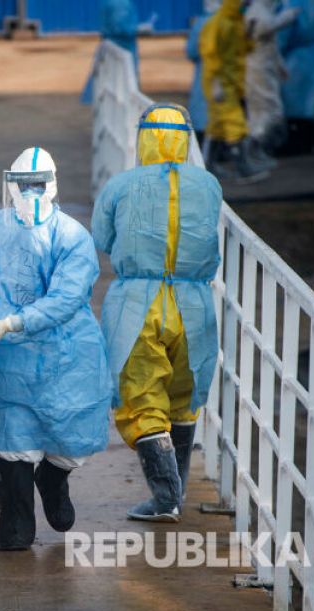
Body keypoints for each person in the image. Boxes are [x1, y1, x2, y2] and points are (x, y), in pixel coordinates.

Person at [0, 147, 112, 550]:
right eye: (23, 186)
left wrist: (10, 322)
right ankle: (18, 514)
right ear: (10, 186)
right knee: (11, 432)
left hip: (64, 352)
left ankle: (54, 481)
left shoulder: (73, 237)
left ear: (53, 184)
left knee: (66, 432)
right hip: (9, 353)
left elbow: (66, 297)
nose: (30, 194)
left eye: (38, 185)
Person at [92, 103, 222, 522]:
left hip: (138, 303)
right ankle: (176, 489)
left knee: (141, 395)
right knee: (185, 396)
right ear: (186, 138)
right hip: (194, 304)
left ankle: (165, 497)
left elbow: (103, 237)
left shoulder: (120, 185)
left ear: (142, 138)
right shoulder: (209, 185)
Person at [200, 0, 271, 182]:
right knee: (235, 123)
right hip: (221, 83)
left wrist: (248, 36)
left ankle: (207, 165)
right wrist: (216, 83)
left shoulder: (236, 22)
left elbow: (242, 51)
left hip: (231, 82)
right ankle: (243, 168)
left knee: (217, 126)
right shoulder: (219, 23)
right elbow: (210, 54)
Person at [243, 0, 300, 158]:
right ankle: (254, 147)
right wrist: (286, 18)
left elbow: (271, 44)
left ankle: (258, 149)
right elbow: (261, 29)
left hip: (264, 68)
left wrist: (280, 66)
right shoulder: (257, 12)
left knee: (265, 110)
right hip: (257, 69)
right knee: (266, 110)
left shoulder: (264, 11)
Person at [278, 0, 314, 155]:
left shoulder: (291, 5)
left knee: (293, 106)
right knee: (308, 105)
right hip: (312, 56)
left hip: (293, 60)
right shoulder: (312, 5)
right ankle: (308, 145)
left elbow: (282, 35)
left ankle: (295, 147)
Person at [80, 0, 139, 104]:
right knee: (122, 75)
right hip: (121, 43)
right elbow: (122, 27)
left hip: (111, 42)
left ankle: (99, 96)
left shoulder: (110, 3)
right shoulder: (121, 4)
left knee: (107, 73)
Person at [187, 2, 220, 149]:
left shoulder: (201, 22)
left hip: (205, 72)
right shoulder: (231, 21)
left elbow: (192, 51)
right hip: (228, 75)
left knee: (202, 111)